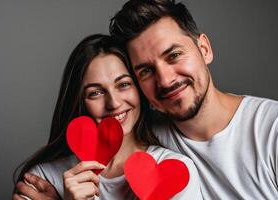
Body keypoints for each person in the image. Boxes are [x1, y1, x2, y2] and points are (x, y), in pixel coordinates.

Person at [107, 0, 278, 199]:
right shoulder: (145, 142)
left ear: (205, 50)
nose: (165, 80)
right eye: (146, 71)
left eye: (174, 55)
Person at [13, 34, 203, 200]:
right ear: (80, 102)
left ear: (139, 89)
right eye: (95, 93)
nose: (113, 103)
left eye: (123, 84)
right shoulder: (43, 179)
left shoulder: (173, 171)